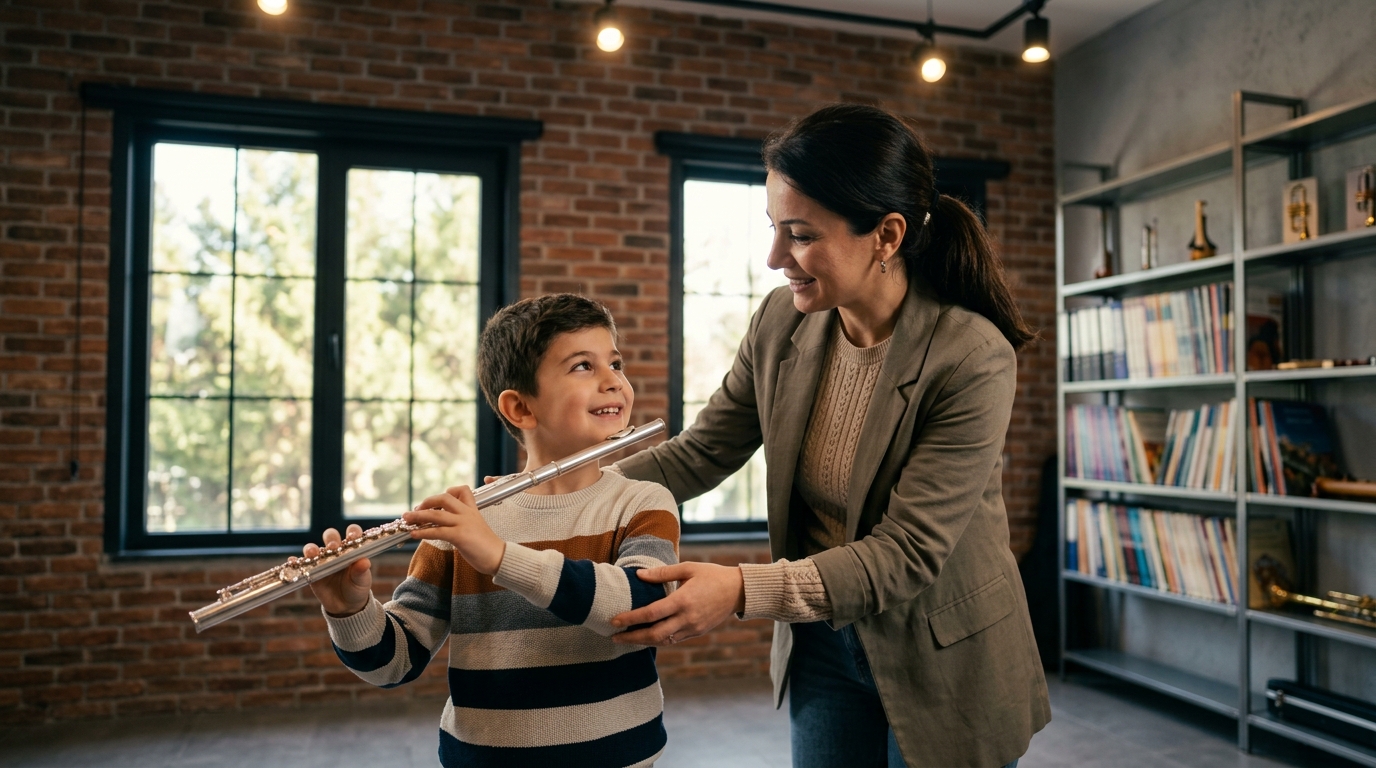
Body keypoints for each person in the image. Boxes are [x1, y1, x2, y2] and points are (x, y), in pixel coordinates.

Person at [608, 104, 1051, 768]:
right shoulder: (780, 322)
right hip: (820, 641)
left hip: (942, 651)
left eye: (801, 234)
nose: (774, 258)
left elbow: (906, 552)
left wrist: (740, 589)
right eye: (773, 228)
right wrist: (561, 492)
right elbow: (700, 453)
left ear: (887, 235)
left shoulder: (971, 356)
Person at [304, 294, 680, 768]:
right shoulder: (465, 522)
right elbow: (395, 664)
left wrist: (501, 557)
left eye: (616, 363)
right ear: (520, 408)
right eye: (583, 366)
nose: (613, 381)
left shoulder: (643, 502)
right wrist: (350, 610)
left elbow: (643, 608)